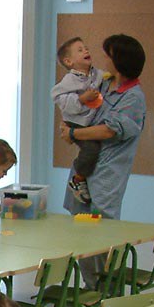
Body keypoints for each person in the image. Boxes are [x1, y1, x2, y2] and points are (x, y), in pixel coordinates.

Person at [59, 33, 146, 287]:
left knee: (104, 233)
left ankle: (108, 291)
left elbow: (109, 130)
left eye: (109, 55)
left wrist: (73, 134)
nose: (104, 59)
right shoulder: (104, 84)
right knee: (82, 229)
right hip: (85, 169)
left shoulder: (133, 97)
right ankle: (91, 288)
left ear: (119, 62)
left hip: (106, 175)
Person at [52, 37, 111, 205]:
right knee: (91, 148)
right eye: (80, 50)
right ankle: (78, 179)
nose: (86, 51)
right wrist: (82, 98)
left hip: (89, 121)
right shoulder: (69, 80)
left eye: (86, 48)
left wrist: (110, 76)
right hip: (75, 123)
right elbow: (58, 98)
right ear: (68, 61)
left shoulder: (95, 73)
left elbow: (105, 77)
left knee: (96, 147)